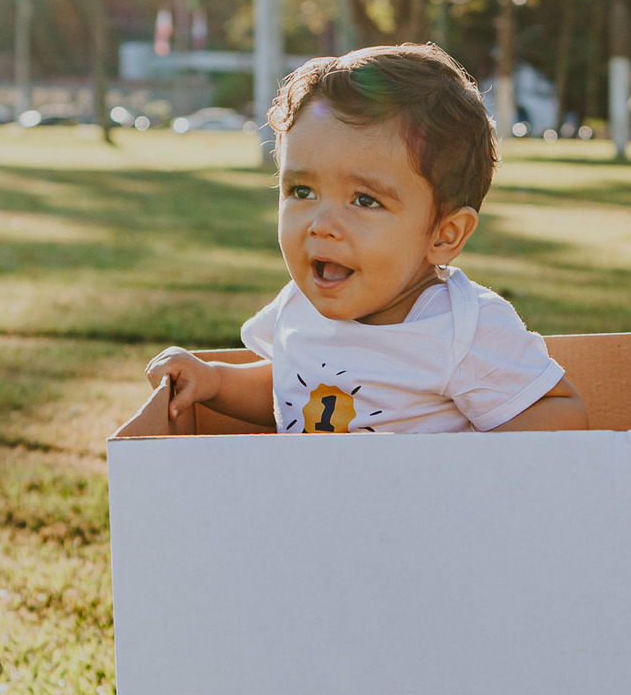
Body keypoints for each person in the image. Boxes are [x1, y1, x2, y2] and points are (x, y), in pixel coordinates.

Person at [145, 43, 589, 435]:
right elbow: (290, 388)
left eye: (364, 199)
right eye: (302, 191)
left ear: (443, 234)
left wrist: (457, 471)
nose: (322, 224)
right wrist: (217, 382)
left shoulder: (460, 328)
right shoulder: (299, 307)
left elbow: (561, 412)